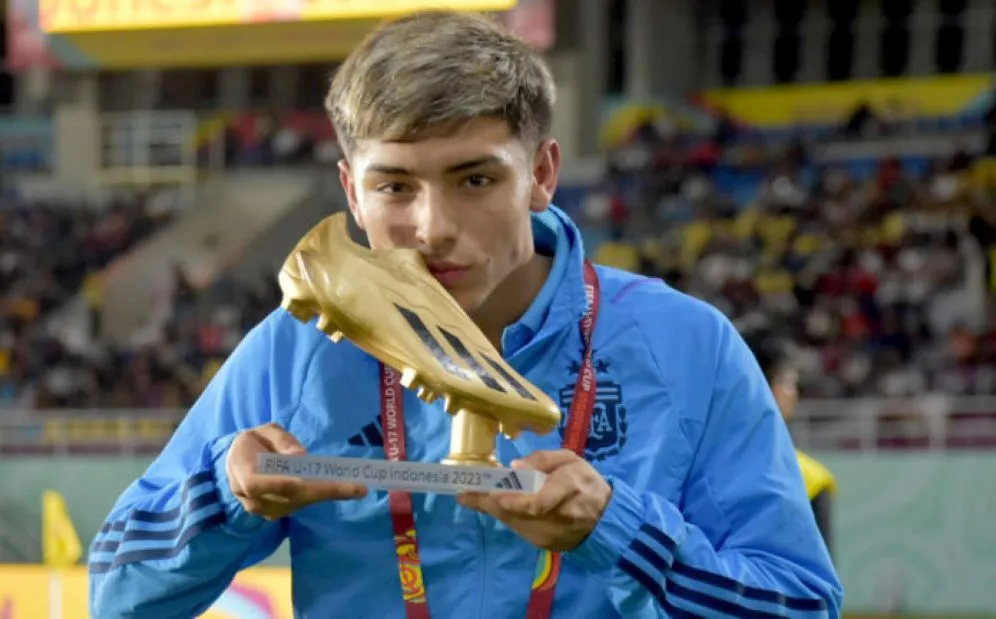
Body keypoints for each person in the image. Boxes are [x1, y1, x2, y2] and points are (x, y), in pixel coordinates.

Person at [89, 10, 842, 618]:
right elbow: (115, 593)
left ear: (540, 174)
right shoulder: (299, 349)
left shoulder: (684, 345)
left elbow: (801, 605)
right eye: (394, 188)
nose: (433, 227)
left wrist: (617, 530)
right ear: (352, 192)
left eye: (474, 178)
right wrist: (225, 494)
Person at [747, 333, 837, 556]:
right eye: (788, 382)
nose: (793, 393)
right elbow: (821, 582)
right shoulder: (809, 477)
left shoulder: (705, 463)